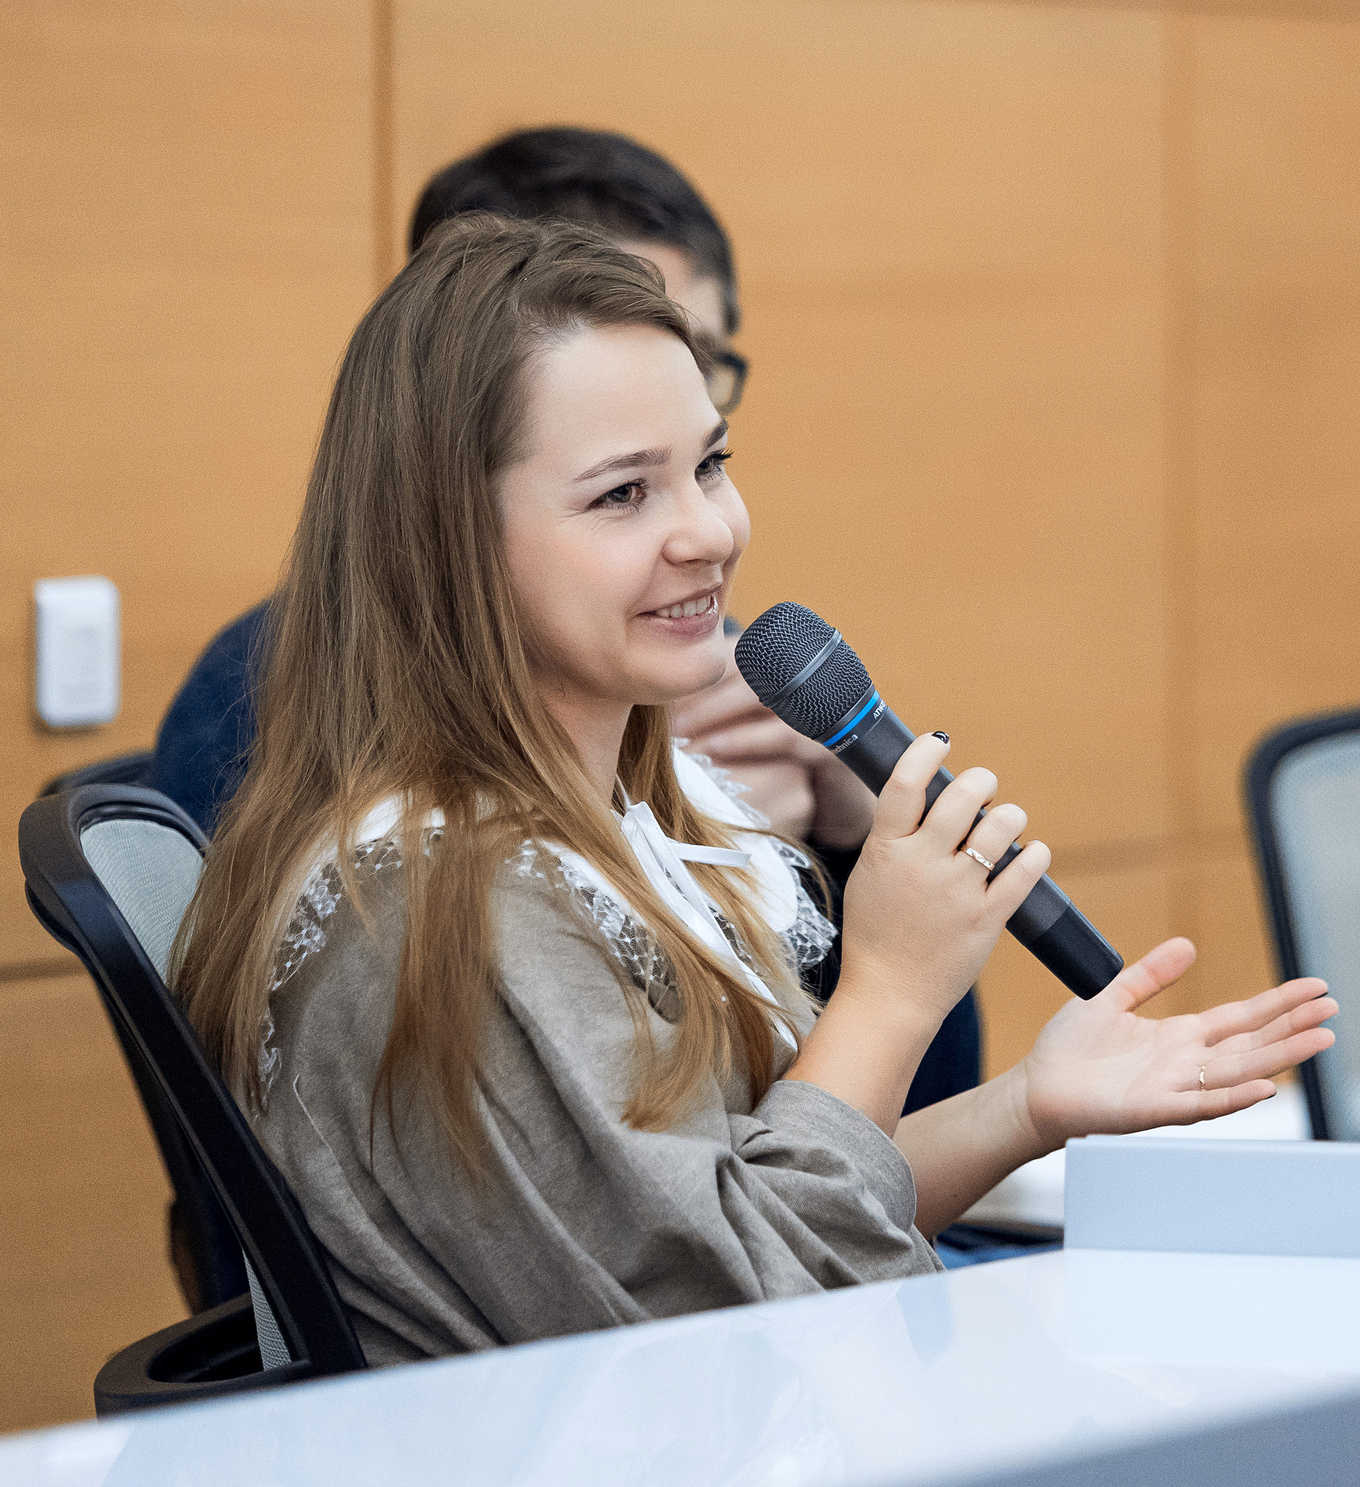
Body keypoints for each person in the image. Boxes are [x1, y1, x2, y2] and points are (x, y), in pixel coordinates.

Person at [167, 217, 1337, 1361]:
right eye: (622, 495)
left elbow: (766, 1212)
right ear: (447, 543)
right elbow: (733, 1325)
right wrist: (888, 989)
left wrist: (1028, 1105)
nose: (708, 533)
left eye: (710, 466)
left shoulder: (616, 825)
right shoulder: (449, 908)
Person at [146, 127, 985, 1118]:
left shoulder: (715, 667)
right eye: (621, 486)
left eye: (702, 372)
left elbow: (896, 1125)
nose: (705, 533)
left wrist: (839, 838)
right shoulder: (297, 724)